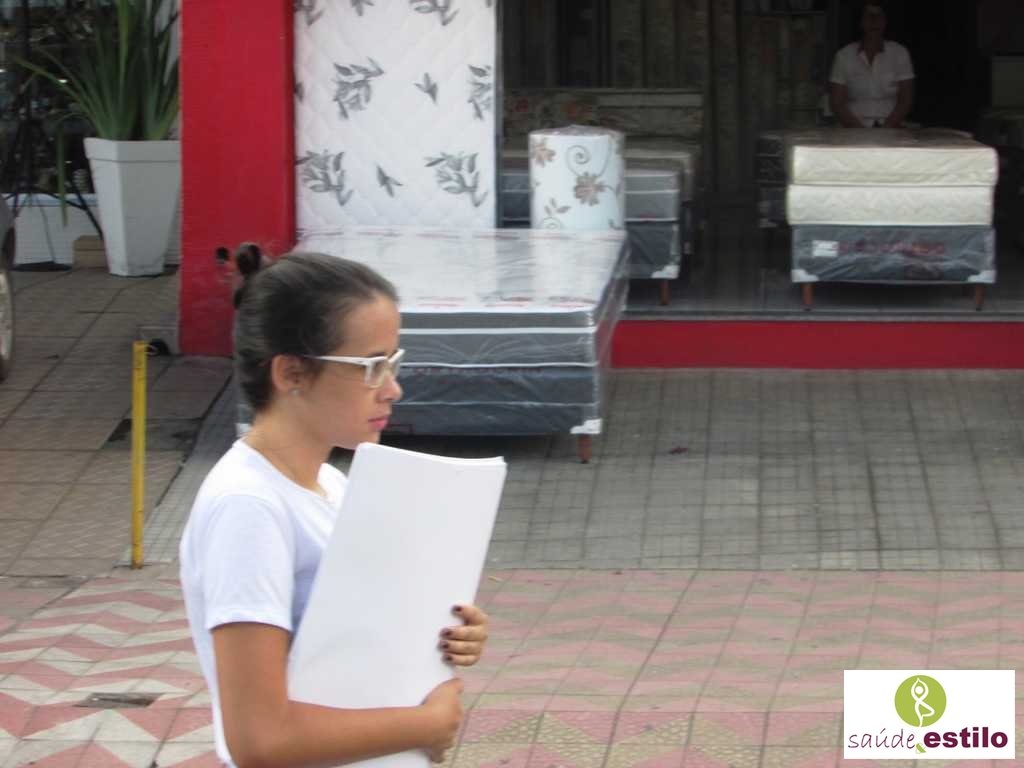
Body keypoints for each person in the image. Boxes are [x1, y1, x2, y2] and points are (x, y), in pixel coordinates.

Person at [179, 251, 490, 767]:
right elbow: (258, 740)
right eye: (371, 367)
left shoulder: (330, 484)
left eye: (393, 363)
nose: (392, 389)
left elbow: (354, 642)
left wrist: (446, 633)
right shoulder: (249, 508)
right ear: (291, 373)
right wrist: (426, 724)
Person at [829, 1, 915, 128]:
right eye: (869, 17)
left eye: (878, 16)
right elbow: (837, 103)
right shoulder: (844, 56)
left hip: (891, 127)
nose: (874, 22)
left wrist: (886, 129)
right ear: (861, 22)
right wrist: (861, 132)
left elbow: (905, 100)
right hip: (853, 129)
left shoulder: (900, 53)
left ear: (885, 22)